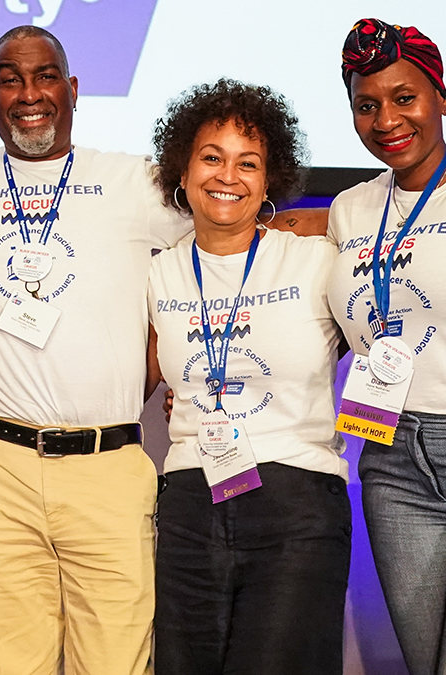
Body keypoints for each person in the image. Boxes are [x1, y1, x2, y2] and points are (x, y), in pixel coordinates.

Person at [0, 25, 199, 672]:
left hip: (108, 464)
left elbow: (223, 239)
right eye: (11, 78)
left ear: (73, 89)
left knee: (117, 661)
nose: (29, 93)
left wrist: (153, 364)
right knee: (11, 664)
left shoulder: (133, 182)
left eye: (45, 76)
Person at [147, 79, 350, 675]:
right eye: (211, 157)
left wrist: (315, 221)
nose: (227, 176)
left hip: (297, 504)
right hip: (189, 500)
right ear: (182, 172)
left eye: (248, 163)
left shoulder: (316, 259)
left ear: (270, 180)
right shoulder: (159, 273)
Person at [330, 19, 446, 675]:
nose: (387, 120)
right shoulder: (351, 209)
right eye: (366, 105)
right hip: (388, 455)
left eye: (404, 97)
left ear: (440, 97)